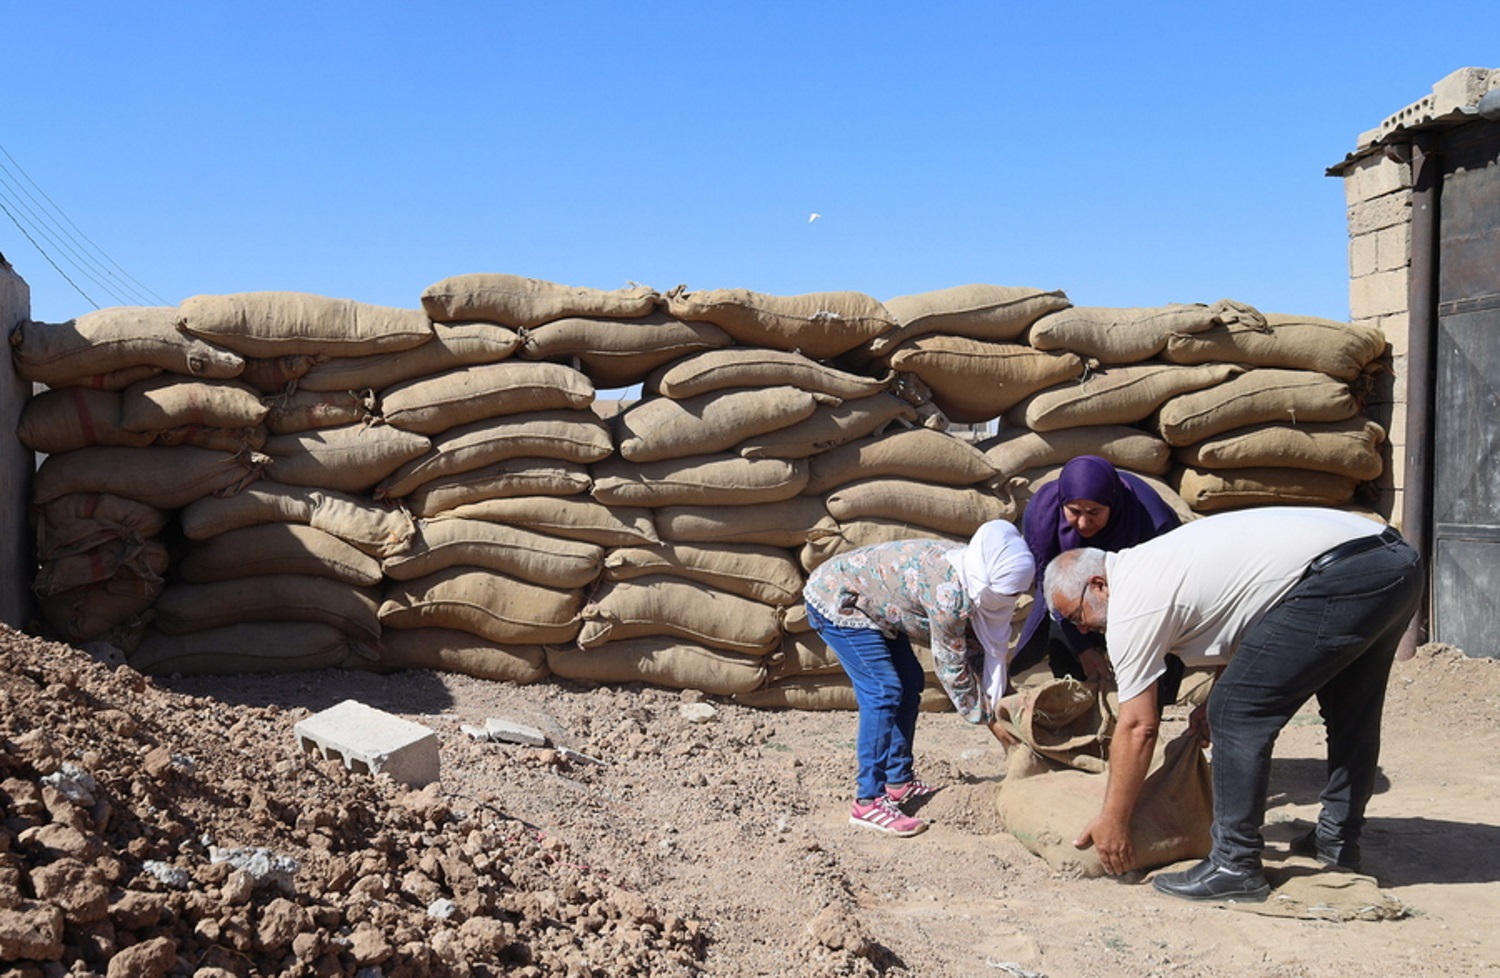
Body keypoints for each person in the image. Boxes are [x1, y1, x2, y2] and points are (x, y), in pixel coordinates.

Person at [1042, 506, 1423, 901]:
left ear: (1098, 584)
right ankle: (1336, 842)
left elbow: (1139, 726)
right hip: (1394, 563)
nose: (1083, 628)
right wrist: (1214, 696)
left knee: (1236, 711)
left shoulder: (1133, 602)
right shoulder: (1158, 564)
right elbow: (1246, 615)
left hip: (1343, 575)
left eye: (1077, 615)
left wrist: (1114, 820)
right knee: (1351, 712)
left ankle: (1234, 864)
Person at [804, 519, 1035, 837]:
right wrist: (989, 718)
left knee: (911, 682)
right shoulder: (949, 595)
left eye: (1016, 593)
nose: (1011, 600)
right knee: (884, 690)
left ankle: (898, 781)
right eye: (1006, 591)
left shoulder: (975, 570)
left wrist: (1005, 702)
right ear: (988, 579)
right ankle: (867, 801)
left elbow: (977, 648)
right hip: (840, 600)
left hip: (879, 605)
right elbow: (951, 665)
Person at [1011, 455, 1182, 685]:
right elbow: (1051, 586)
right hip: (1078, 597)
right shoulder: (1044, 515)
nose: (1083, 523)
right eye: (1074, 511)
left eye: (1094, 512)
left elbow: (1162, 591)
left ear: (1112, 503)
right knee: (1063, 639)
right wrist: (1082, 648)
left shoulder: (1148, 519)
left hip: (1143, 596)